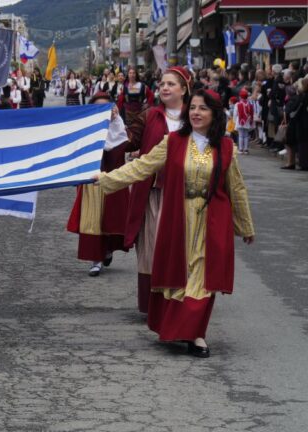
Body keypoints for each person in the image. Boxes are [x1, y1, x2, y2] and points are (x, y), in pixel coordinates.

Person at [96, 89, 255, 357]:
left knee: (203, 277)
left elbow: (236, 188)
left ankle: (196, 334)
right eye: (192, 107)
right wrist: (105, 178)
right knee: (181, 276)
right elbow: (142, 166)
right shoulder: (173, 142)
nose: (195, 112)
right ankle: (182, 329)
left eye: (203, 108)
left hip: (211, 221)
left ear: (214, 113)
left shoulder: (226, 148)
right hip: (178, 218)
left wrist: (245, 225)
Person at [122, 66, 192, 314]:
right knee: (152, 246)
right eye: (162, 83)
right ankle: (154, 303)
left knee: (184, 248)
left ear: (184, 89)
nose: (164, 87)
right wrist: (112, 124)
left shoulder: (195, 117)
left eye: (171, 84)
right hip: (154, 192)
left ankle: (181, 301)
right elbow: (129, 141)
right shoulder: (150, 115)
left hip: (187, 194)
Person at [67, 92, 130, 276]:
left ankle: (108, 250)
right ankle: (96, 259)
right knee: (93, 220)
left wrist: (116, 122)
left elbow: (122, 150)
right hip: (92, 183)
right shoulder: (85, 130)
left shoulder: (118, 129)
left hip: (112, 180)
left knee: (110, 219)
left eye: (106, 108)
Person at [232, 89, 253, 155]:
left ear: (240, 97)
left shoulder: (237, 104)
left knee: (240, 135)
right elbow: (252, 113)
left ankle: (241, 149)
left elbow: (235, 113)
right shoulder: (250, 104)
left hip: (239, 120)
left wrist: (234, 121)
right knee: (246, 135)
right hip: (247, 121)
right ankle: (246, 149)